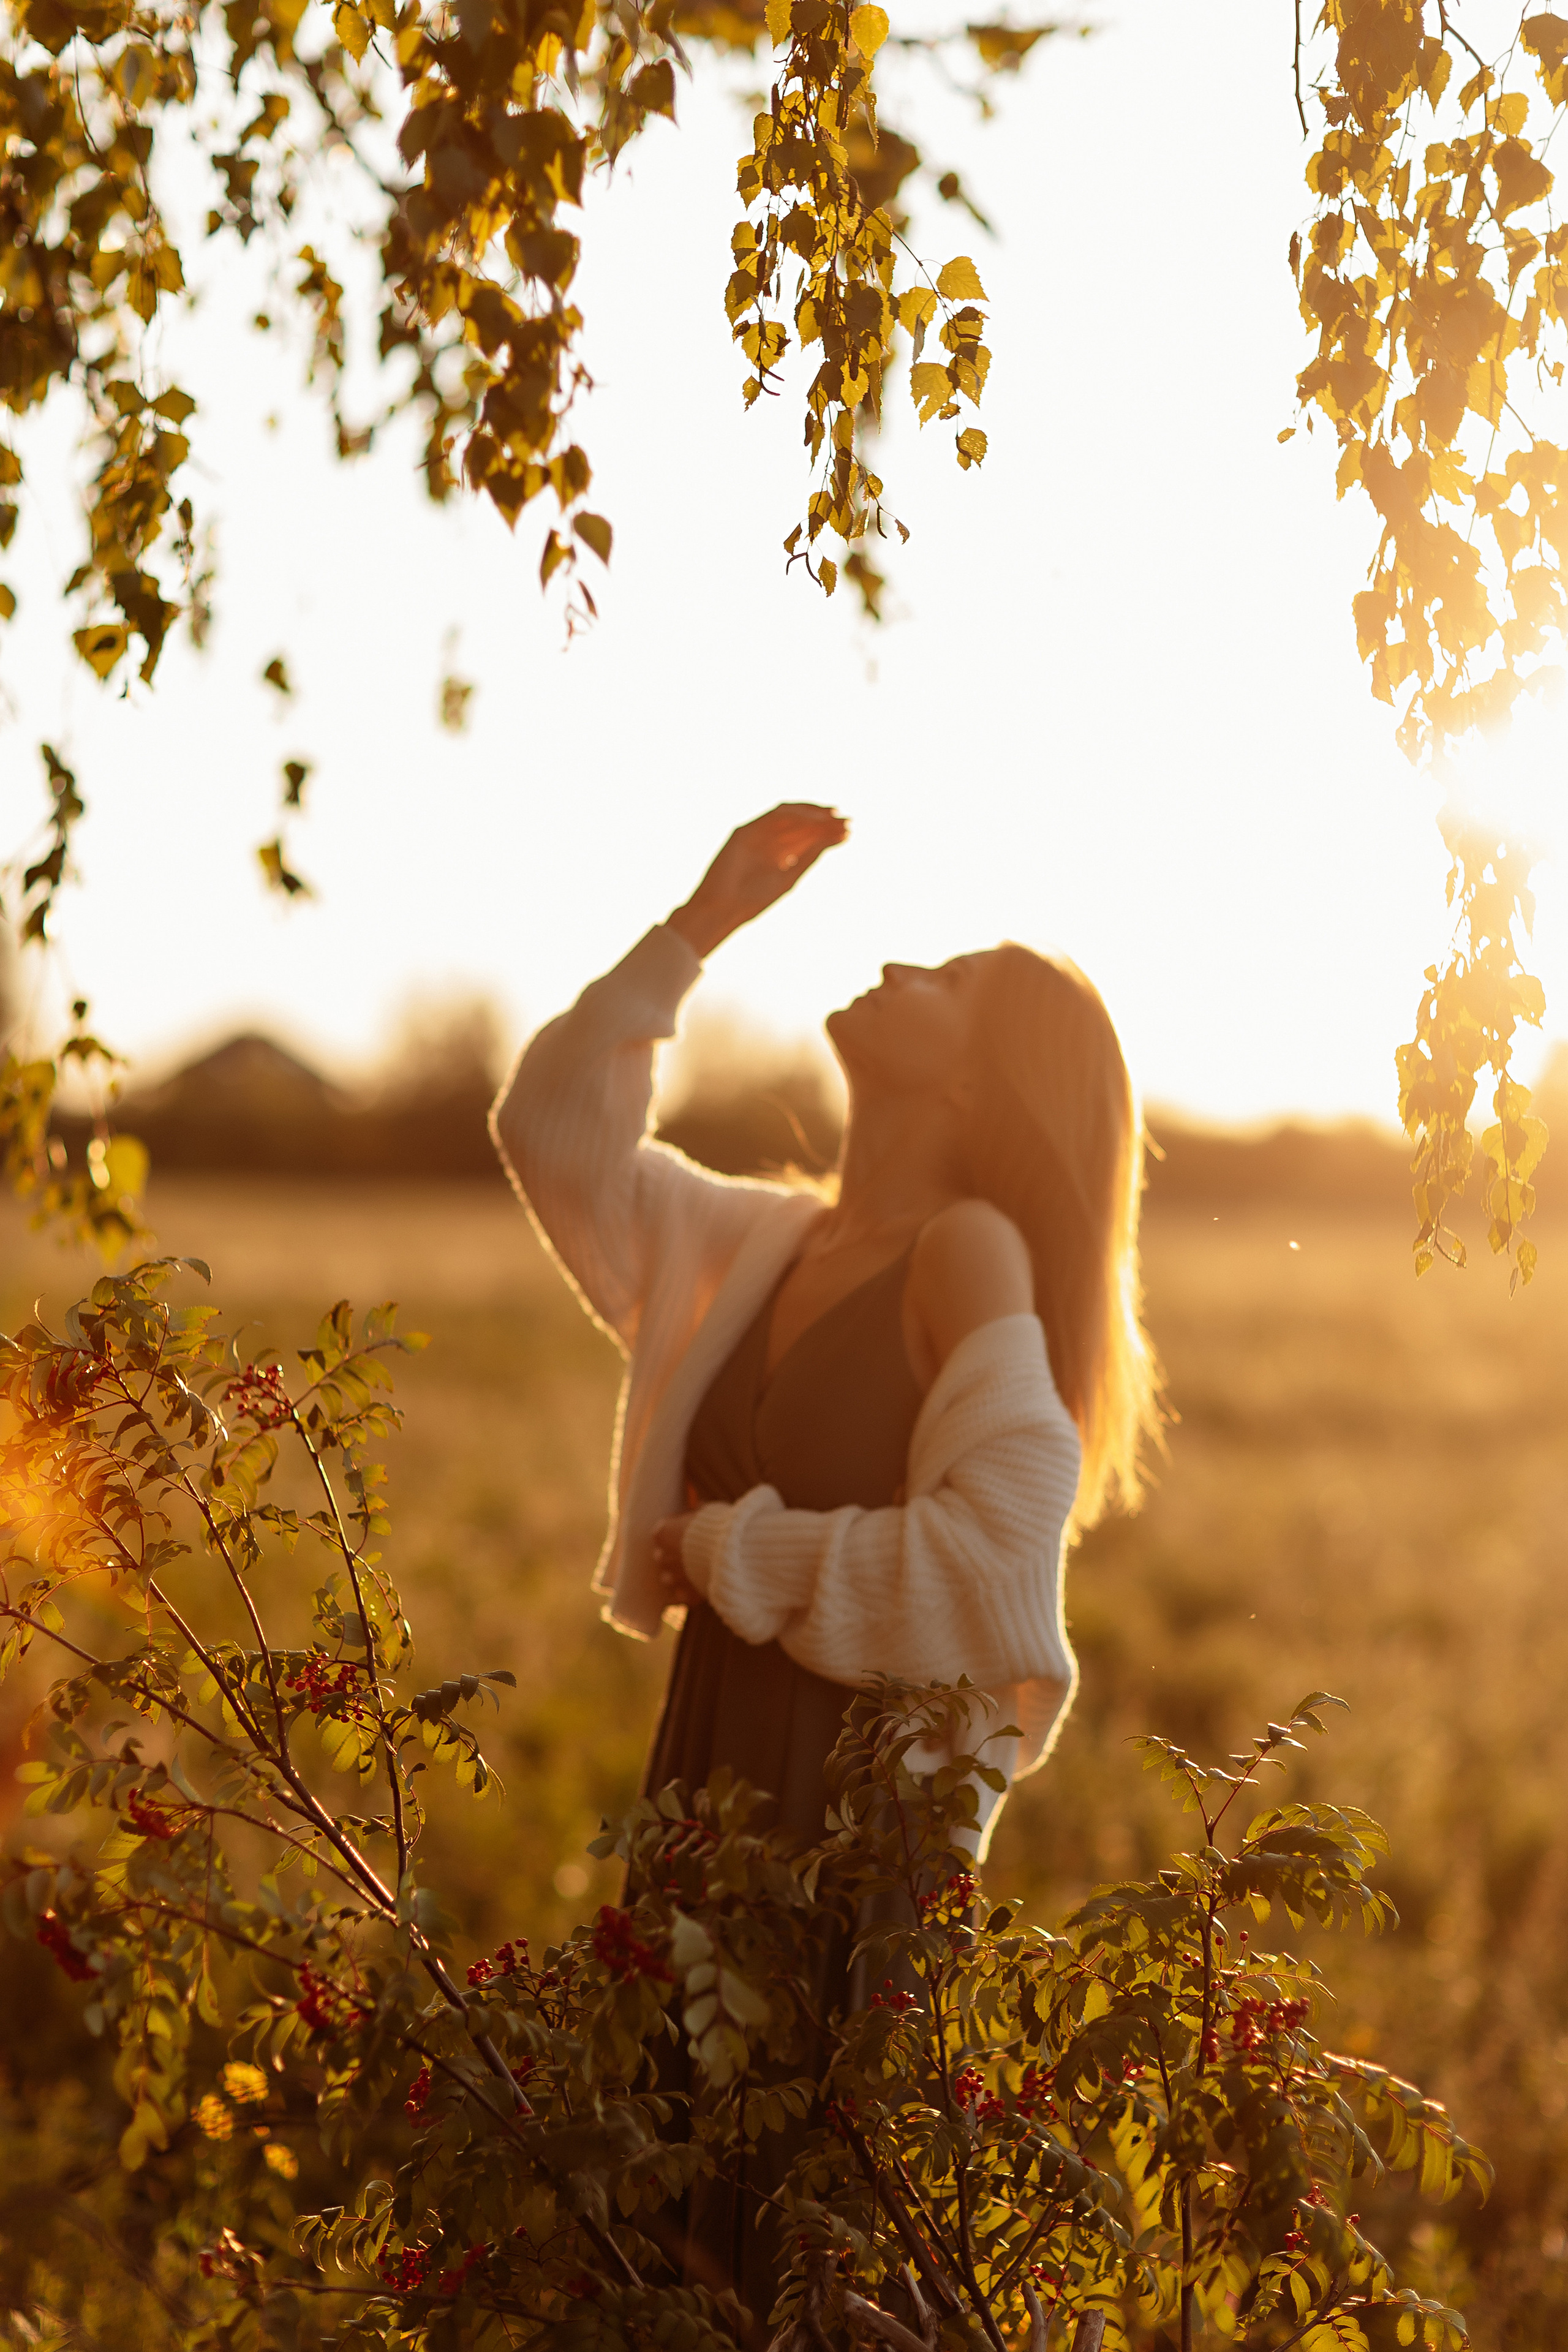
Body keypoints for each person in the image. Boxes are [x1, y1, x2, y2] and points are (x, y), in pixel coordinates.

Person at [489, 801, 1161, 2312]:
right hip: (703, 1789)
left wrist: (728, 1543)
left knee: (784, 2246)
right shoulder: (755, 1248)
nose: (899, 961)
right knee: (649, 2236)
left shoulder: (966, 1252)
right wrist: (695, 928)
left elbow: (992, 1570)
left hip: (841, 1834)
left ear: (980, 1073)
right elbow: (548, 1126)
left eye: (947, 977)